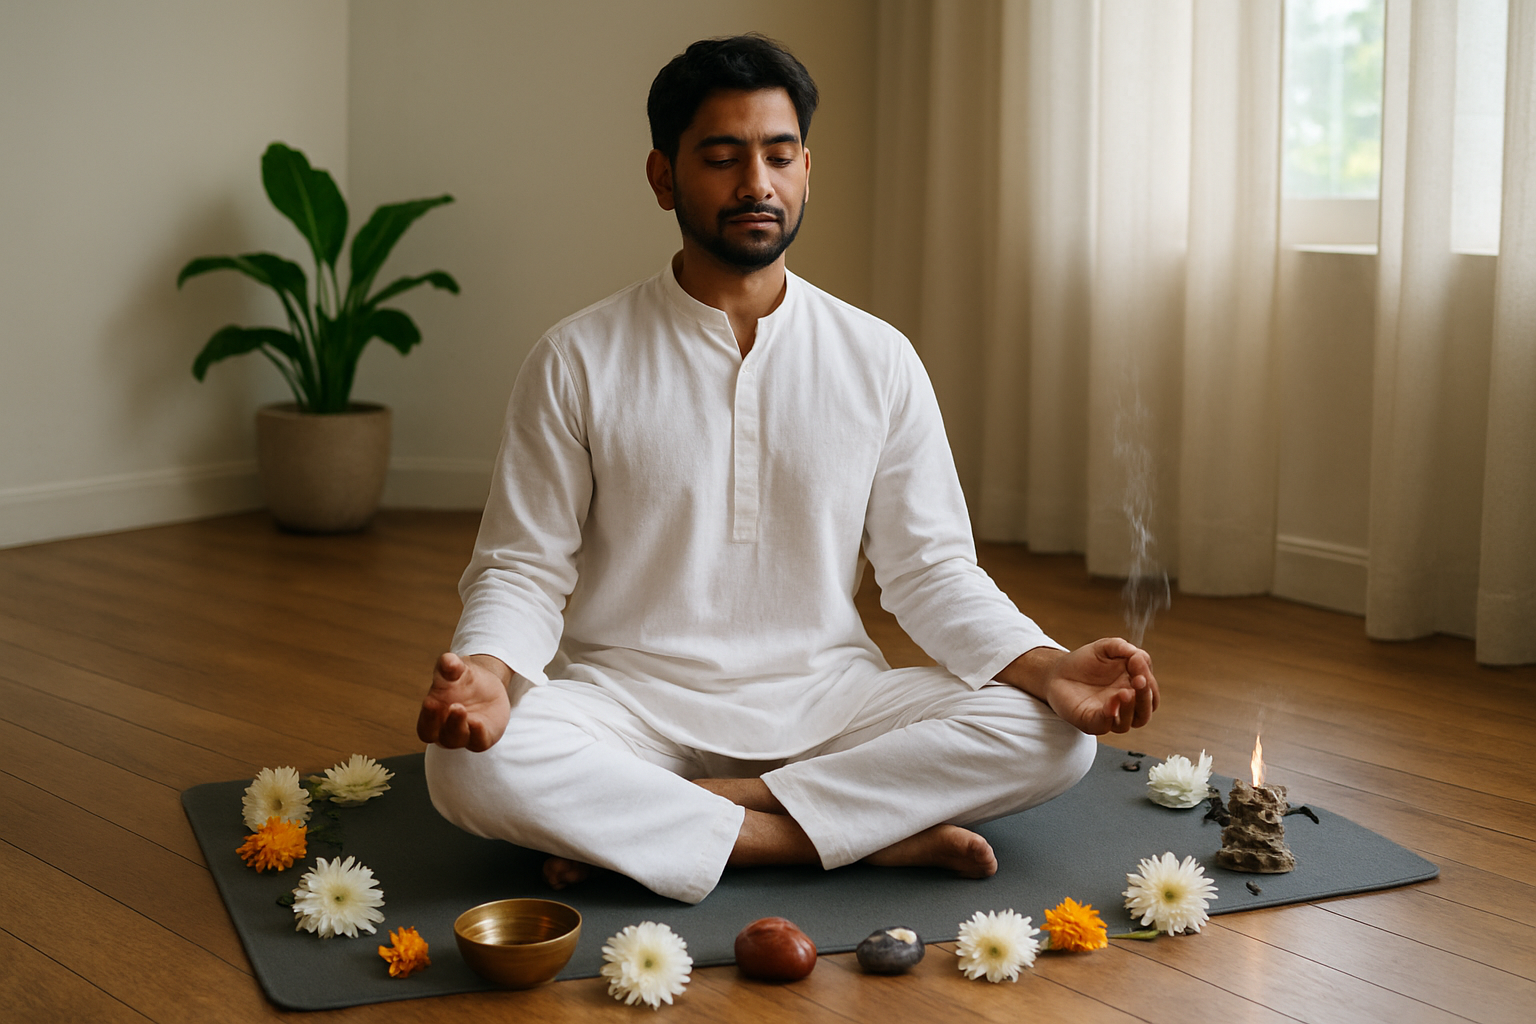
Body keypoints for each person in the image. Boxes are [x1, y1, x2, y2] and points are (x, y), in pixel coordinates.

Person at [417, 34, 1158, 905]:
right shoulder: (576, 357)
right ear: (663, 178)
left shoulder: (877, 357)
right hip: (631, 705)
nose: (755, 185)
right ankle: (844, 838)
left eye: (778, 155)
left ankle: (704, 823)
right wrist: (491, 674)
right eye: (723, 158)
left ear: (808, 169)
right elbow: (523, 567)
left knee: (1052, 737)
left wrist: (1046, 668)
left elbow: (930, 571)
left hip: (830, 701)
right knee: (465, 770)